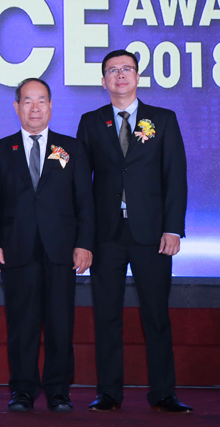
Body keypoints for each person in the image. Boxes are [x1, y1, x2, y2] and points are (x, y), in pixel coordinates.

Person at [77, 49, 191, 413]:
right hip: (106, 235)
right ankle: (109, 392)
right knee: (107, 315)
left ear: (138, 77)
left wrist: (173, 229)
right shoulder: (91, 122)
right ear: (104, 81)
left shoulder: (163, 119)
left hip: (152, 234)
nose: (120, 75)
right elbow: (81, 183)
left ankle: (164, 392)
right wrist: (82, 238)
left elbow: (175, 177)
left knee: (156, 315)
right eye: (112, 71)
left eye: (126, 69)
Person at [0, 78, 94, 412]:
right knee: (22, 325)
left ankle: (59, 391)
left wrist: (84, 243)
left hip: (61, 249)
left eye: (41, 100)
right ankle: (22, 389)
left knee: (60, 323)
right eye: (28, 101)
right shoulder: (0, 150)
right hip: (16, 249)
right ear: (16, 107)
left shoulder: (71, 148)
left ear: (51, 106)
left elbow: (85, 200)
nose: (35, 108)